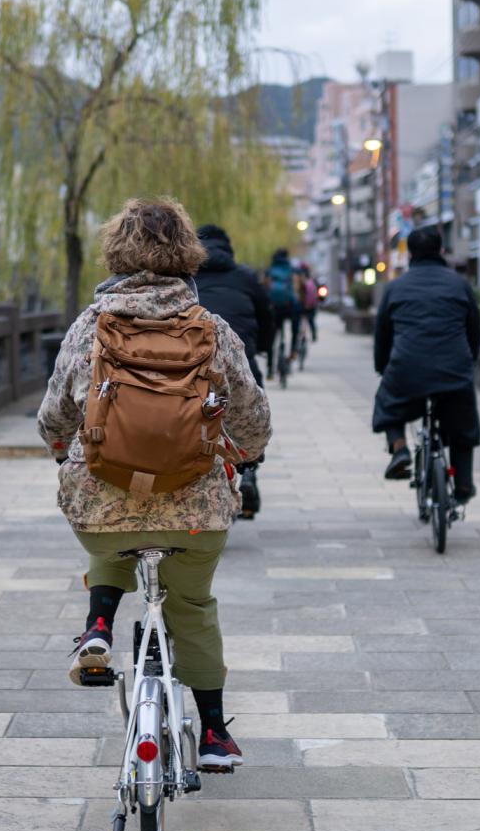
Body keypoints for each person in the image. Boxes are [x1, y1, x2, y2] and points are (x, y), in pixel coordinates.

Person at [39, 196, 271, 770]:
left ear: (117, 251)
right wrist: (247, 455)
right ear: (186, 254)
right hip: (196, 511)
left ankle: (97, 625)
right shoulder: (211, 329)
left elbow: (54, 416)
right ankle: (215, 735)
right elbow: (253, 420)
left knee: (111, 525)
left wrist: (59, 449)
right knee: (191, 603)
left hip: (100, 506)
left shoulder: (89, 328)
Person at [371, 224, 480, 502]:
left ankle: (399, 449)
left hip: (407, 368)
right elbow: (474, 330)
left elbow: (382, 336)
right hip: (454, 369)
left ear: (409, 254)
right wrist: (469, 363)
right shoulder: (460, 285)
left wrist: (383, 367)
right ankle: (464, 482)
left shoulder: (395, 288)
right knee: (461, 424)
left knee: (388, 401)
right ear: (441, 250)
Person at [192, 223, 275, 387]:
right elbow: (266, 317)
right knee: (255, 407)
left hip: (195, 367)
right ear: (228, 248)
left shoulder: (187, 280)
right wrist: (261, 346)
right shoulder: (247, 278)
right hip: (243, 365)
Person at [264, 248, 302, 379]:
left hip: (274, 307)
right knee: (295, 328)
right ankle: (293, 351)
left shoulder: (270, 270)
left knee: (272, 336)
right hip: (290, 307)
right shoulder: (292, 270)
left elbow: (265, 289)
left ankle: (269, 369)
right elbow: (297, 290)